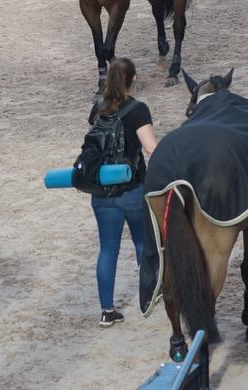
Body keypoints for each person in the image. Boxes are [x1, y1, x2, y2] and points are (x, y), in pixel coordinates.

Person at [90, 58, 157, 327]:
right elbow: (150, 148)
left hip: (101, 189)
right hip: (131, 187)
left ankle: (107, 310)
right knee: (142, 242)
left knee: (107, 249)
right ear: (134, 80)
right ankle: (148, 295)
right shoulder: (138, 110)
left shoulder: (97, 108)